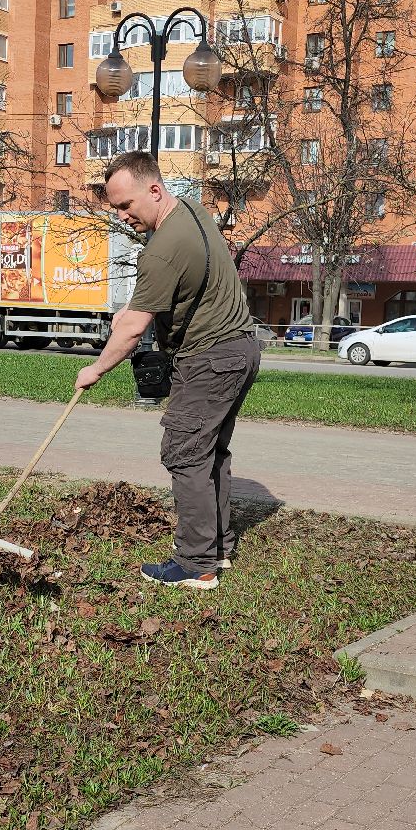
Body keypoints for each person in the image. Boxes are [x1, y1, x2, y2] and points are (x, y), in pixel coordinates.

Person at [75, 151, 260, 590]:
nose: (122, 217)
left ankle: (196, 564)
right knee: (210, 451)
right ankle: (216, 546)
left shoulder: (161, 251)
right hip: (242, 348)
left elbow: (134, 330)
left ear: (154, 190)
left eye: (126, 205)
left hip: (210, 359)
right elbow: (161, 298)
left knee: (185, 453)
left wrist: (96, 369)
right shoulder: (193, 211)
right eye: (116, 208)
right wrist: (132, 310)